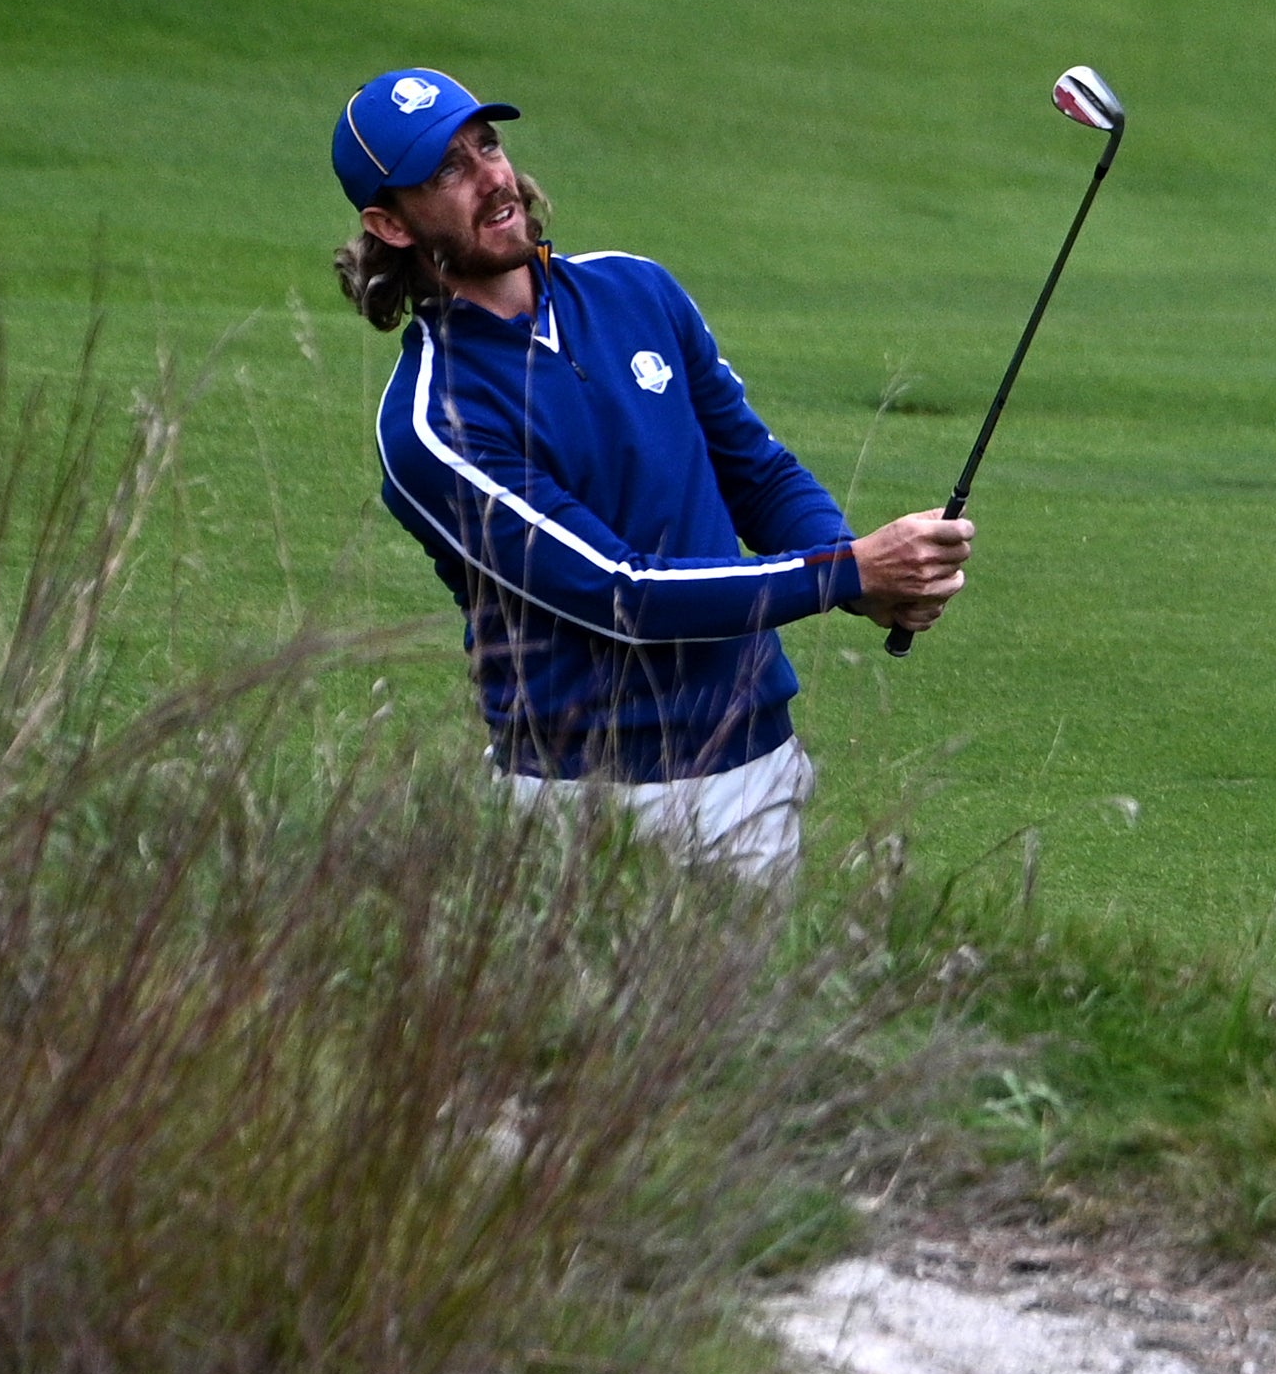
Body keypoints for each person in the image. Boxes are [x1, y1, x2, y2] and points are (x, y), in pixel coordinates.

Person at [330, 67, 972, 880]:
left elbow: (757, 473)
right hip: (576, 805)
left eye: (486, 144)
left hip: (749, 771)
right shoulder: (431, 420)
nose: (492, 177)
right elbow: (620, 591)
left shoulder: (636, 289)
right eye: (447, 170)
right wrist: (846, 570)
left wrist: (858, 575)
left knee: (753, 1012)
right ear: (389, 223)